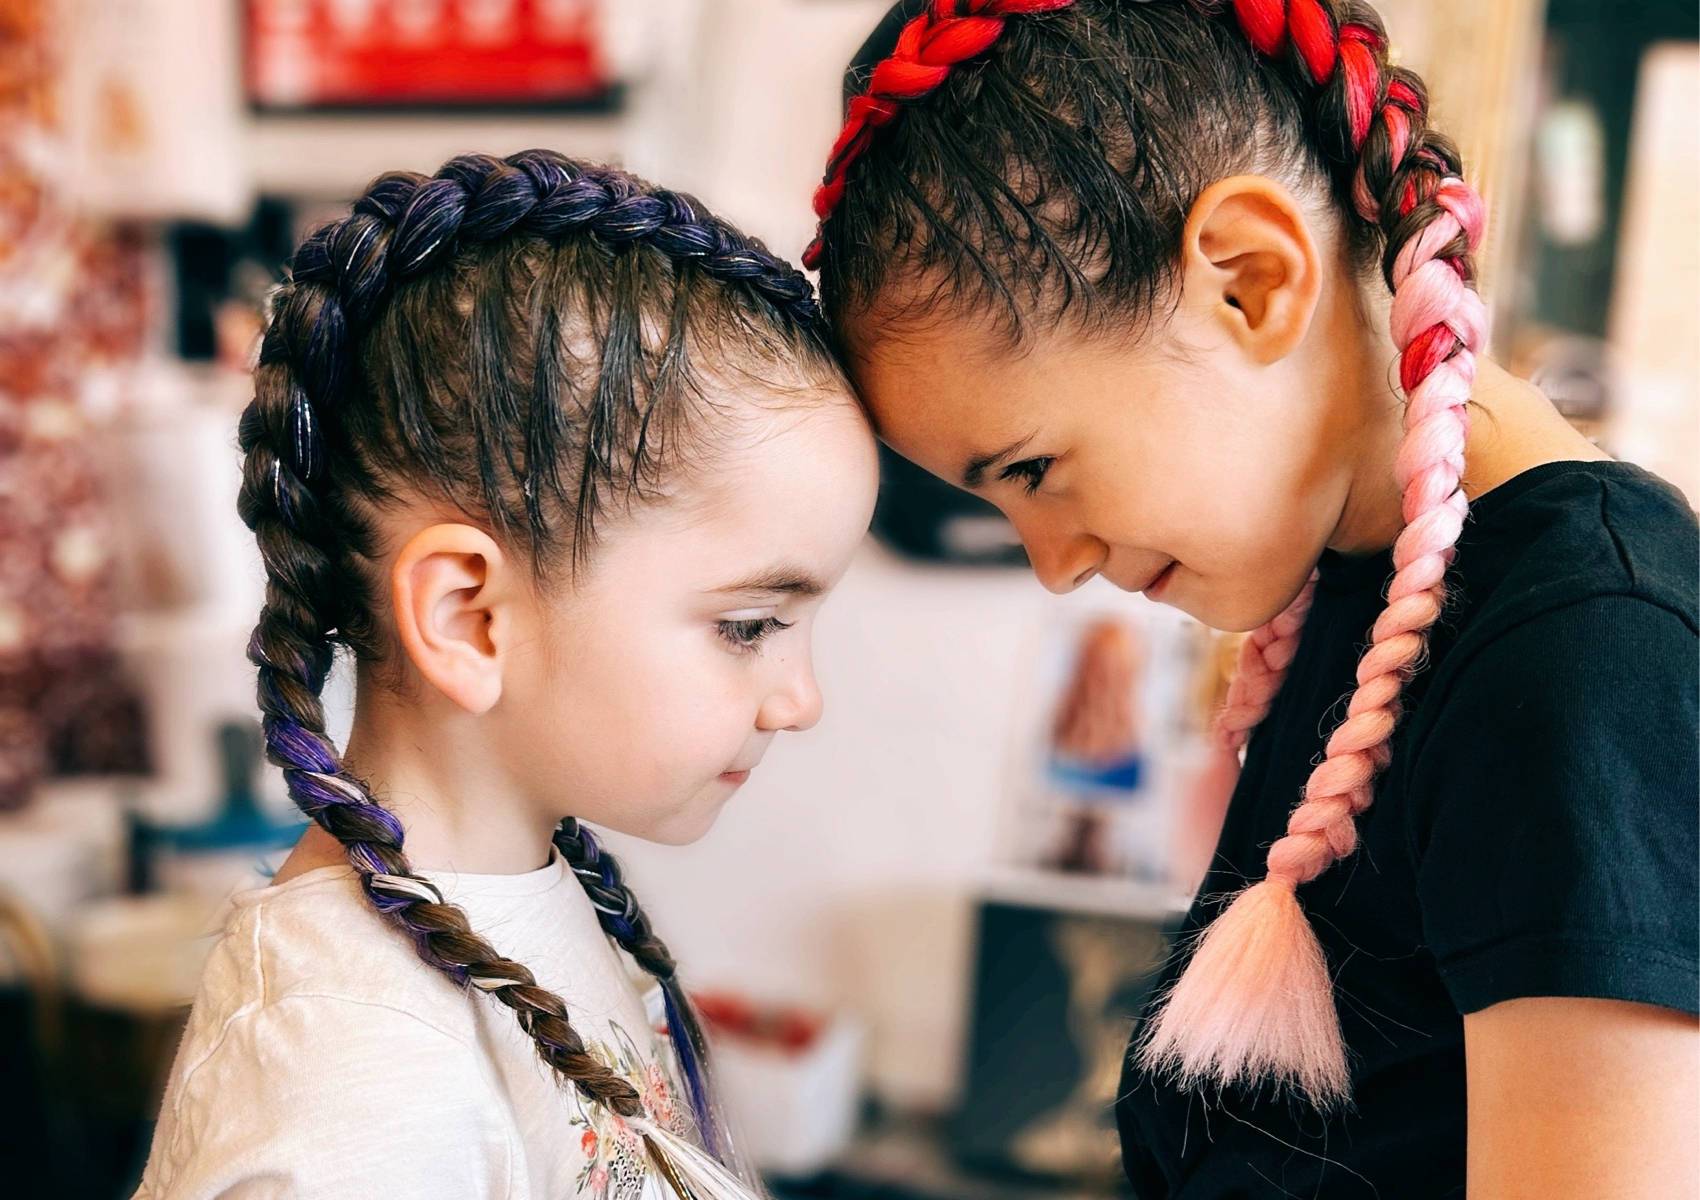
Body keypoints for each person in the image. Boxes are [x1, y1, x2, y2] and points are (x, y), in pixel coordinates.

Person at [802, 2, 1700, 1196]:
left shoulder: (1583, 650)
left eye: (1029, 471)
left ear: (1248, 280)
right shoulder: (1360, 594)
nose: (1055, 564)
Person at [135, 152, 878, 1200]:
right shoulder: (354, 1091)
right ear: (468, 617)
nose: (800, 700)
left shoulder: (525, 892)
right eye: (750, 625)